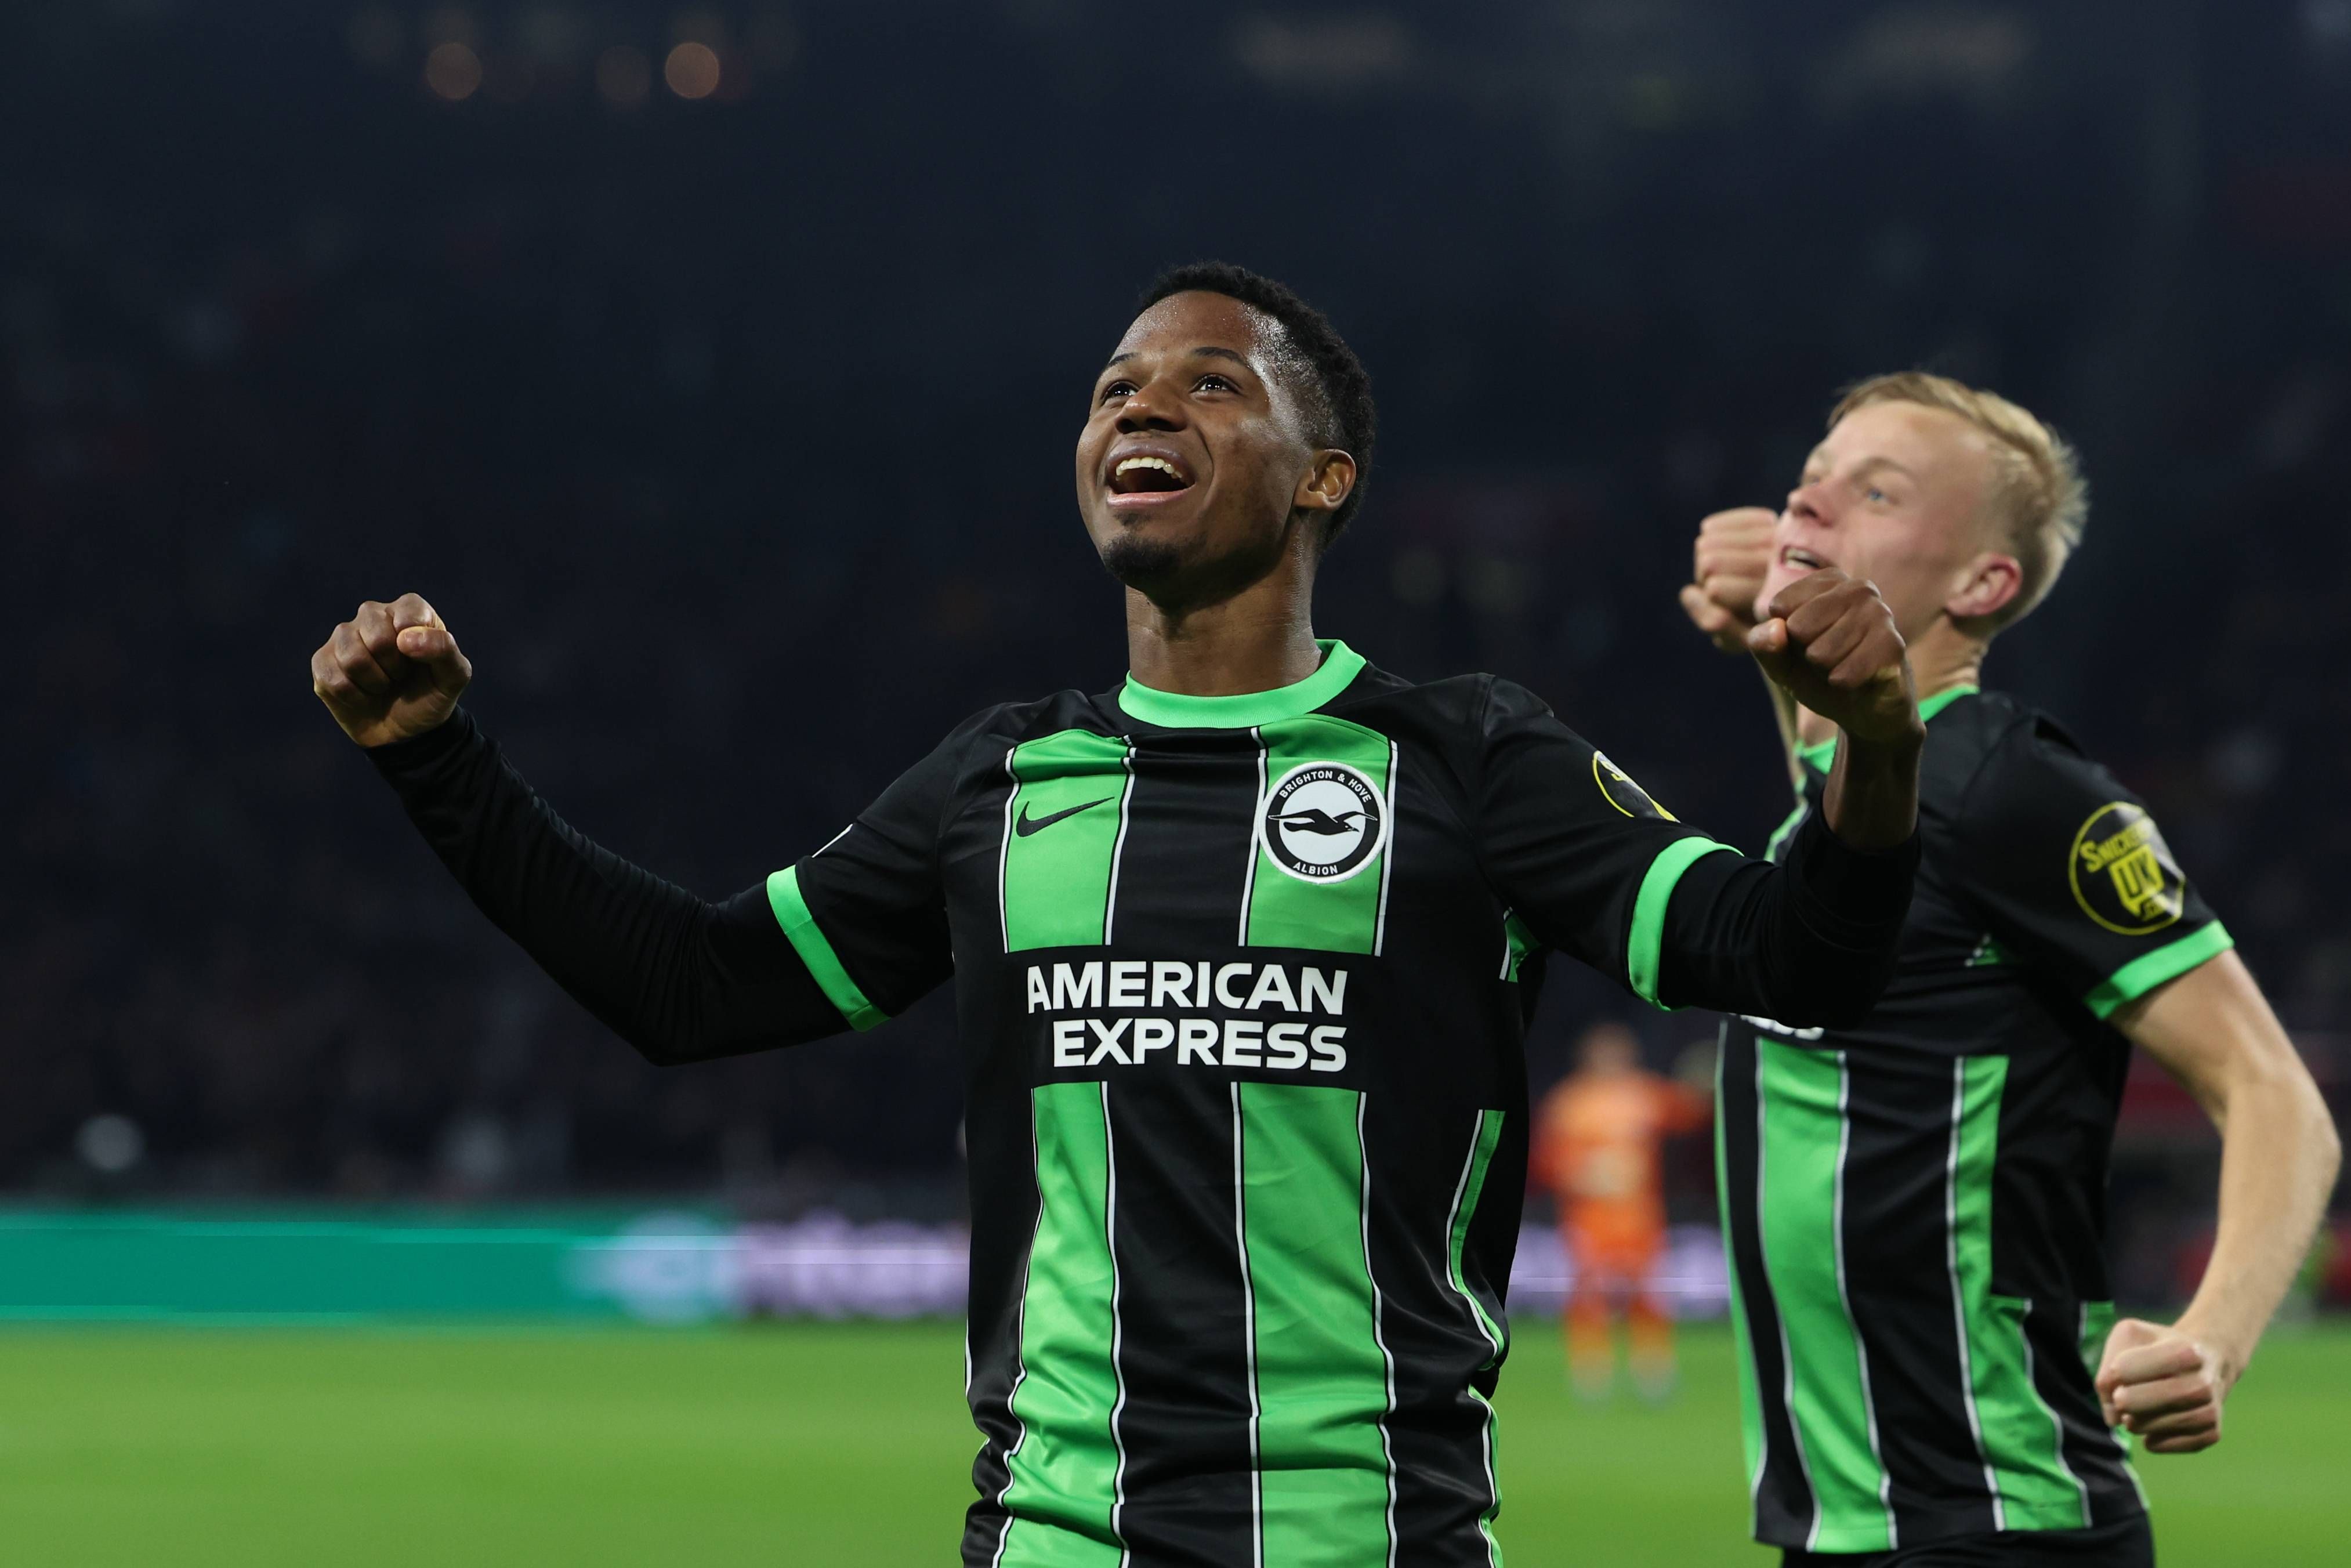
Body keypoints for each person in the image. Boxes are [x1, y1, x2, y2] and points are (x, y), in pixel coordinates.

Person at [313, 262, 1930, 1567]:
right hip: (1053, 1536)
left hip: (1372, 1535)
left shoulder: (1468, 758)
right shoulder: (1000, 779)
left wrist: (1872, 746)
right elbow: (691, 985)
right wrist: (439, 765)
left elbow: (1792, 954)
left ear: (1325, 476)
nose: (1141, 403)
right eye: (1112, 390)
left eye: (1211, 383)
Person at [1679, 372, 2342, 1567]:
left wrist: (2211, 1336)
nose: (1808, 502)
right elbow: (1855, 796)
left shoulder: (2006, 786)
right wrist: (1766, 646)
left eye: (1876, 492)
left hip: (1996, 1521)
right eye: (1810, 480)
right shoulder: (1839, 809)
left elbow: (2274, 1092)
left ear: (1981, 585)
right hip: (1849, 1529)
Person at [1530, 1020, 1711, 1400]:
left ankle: (1653, 1369)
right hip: (1589, 1216)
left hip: (1638, 1214)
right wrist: (1585, 1175)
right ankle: (1591, 1369)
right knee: (1590, 1295)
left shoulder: (1641, 1093)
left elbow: (1687, 1109)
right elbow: (1548, 1163)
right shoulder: (1571, 1102)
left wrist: (1703, 1078)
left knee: (1648, 1294)